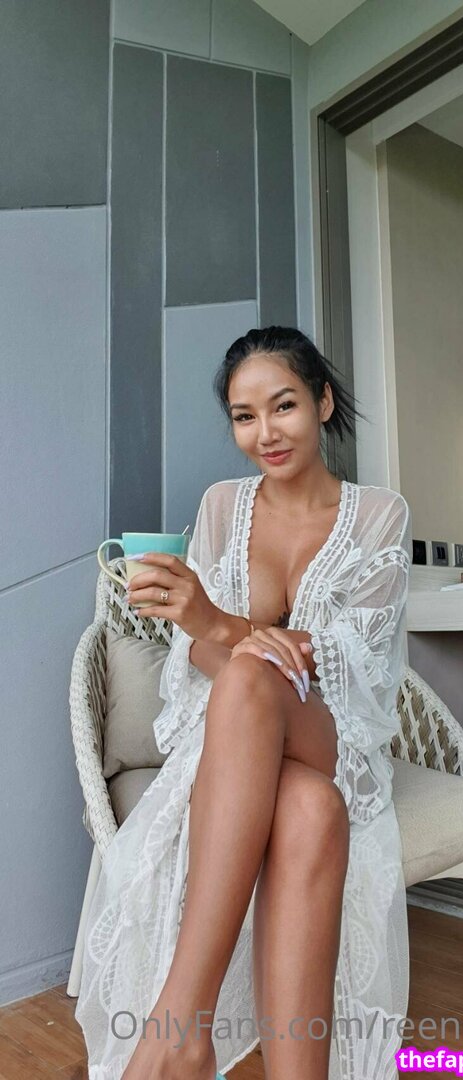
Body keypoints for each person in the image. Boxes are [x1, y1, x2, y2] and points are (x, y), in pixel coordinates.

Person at [75, 326, 412, 1080]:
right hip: (242, 736)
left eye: (284, 405)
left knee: (255, 675)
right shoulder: (222, 506)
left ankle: (179, 1029)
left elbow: (353, 662)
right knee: (308, 808)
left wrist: (223, 626)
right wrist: (208, 630)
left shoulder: (380, 515)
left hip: (334, 731)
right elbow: (193, 657)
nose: (266, 433)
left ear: (323, 402)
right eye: (244, 416)